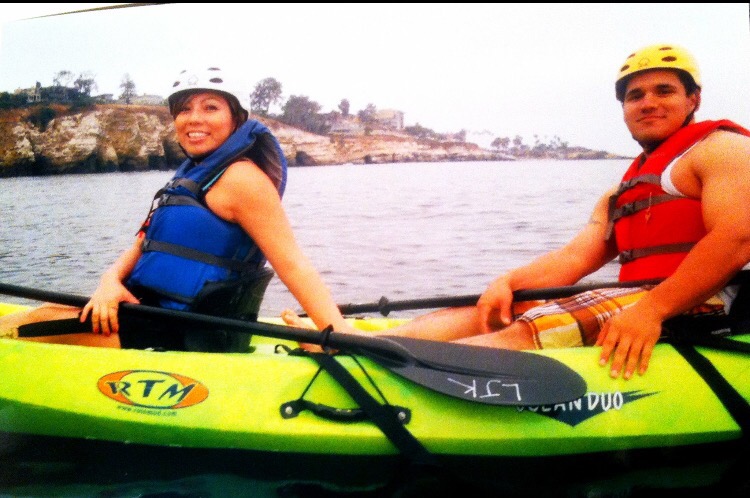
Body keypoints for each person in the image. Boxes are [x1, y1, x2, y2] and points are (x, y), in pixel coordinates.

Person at [285, 43, 750, 379]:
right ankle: (363, 345)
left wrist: (651, 310)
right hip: (643, 298)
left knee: (532, 326)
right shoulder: (622, 190)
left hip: (705, 302)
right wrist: (508, 283)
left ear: (693, 99)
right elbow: (575, 258)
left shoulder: (722, 149)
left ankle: (378, 375)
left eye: (664, 91)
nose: (648, 103)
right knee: (503, 308)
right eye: (635, 95)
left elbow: (736, 240)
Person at [1, 66, 355, 351]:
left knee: (27, 325)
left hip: (190, 333)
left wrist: (335, 334)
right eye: (184, 109)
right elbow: (144, 242)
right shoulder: (196, 174)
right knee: (43, 313)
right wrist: (109, 281)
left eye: (210, 107)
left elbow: (293, 264)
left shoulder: (242, 179)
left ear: (237, 119)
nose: (193, 118)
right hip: (153, 313)